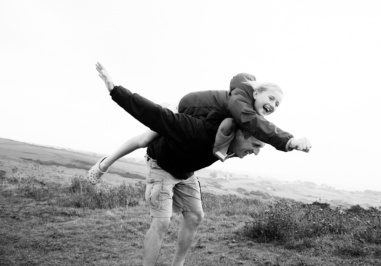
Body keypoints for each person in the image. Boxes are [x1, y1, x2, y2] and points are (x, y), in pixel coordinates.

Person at [92, 63, 268, 266]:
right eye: (255, 146)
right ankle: (104, 164)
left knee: (195, 216)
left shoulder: (238, 137)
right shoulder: (200, 131)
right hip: (162, 162)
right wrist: (116, 91)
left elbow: (265, 127)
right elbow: (157, 115)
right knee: (162, 220)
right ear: (239, 134)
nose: (255, 152)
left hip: (185, 169)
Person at [88, 63, 311, 182]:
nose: (273, 105)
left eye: (278, 104)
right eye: (271, 98)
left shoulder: (249, 113)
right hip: (182, 109)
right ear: (256, 93)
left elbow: (245, 129)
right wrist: (288, 141)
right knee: (145, 139)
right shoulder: (240, 101)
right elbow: (255, 125)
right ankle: (104, 164)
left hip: (196, 120)